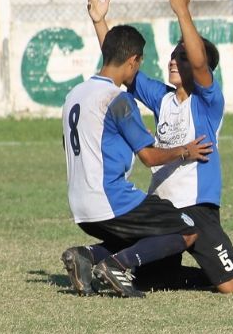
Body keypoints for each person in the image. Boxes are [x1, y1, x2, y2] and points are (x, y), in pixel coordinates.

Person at [87, 0, 233, 293]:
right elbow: (120, 64)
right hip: (163, 208)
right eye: (172, 55)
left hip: (197, 208)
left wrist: (182, 13)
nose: (173, 61)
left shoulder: (207, 102)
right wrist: (100, 22)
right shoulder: (162, 96)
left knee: (231, 287)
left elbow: (198, 61)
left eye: (182, 56)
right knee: (154, 279)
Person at [60, 23, 215, 298]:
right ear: (133, 61)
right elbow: (148, 157)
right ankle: (116, 265)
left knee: (144, 233)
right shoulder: (117, 99)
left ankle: (86, 255)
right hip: (111, 199)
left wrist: (97, 21)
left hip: (79, 205)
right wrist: (184, 151)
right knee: (188, 229)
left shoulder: (75, 95)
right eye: (138, 63)